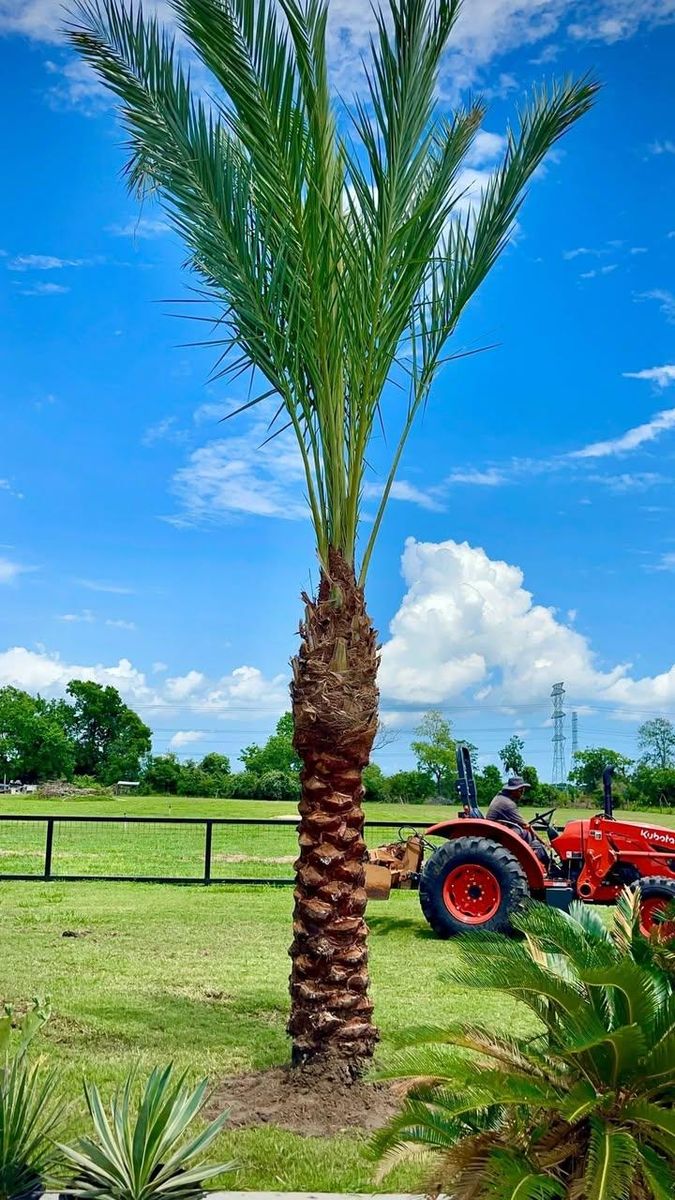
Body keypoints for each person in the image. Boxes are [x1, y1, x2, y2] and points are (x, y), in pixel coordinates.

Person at [486, 775, 549, 866]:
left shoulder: (500, 798)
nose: (522, 793)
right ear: (515, 790)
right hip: (496, 835)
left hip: (496, 831)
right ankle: (537, 863)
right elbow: (526, 825)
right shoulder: (508, 804)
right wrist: (544, 842)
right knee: (527, 833)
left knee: (525, 833)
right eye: (521, 790)